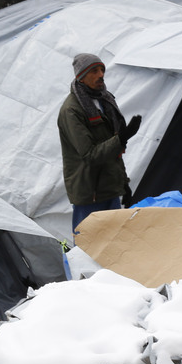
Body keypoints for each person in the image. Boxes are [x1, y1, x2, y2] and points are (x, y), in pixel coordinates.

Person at [57, 52, 142, 233]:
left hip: (109, 188)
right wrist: (121, 138)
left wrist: (123, 184)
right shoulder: (72, 110)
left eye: (102, 70)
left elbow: (114, 153)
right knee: (87, 247)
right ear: (81, 76)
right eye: (94, 71)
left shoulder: (104, 100)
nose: (101, 75)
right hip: (90, 193)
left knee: (113, 244)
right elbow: (89, 155)